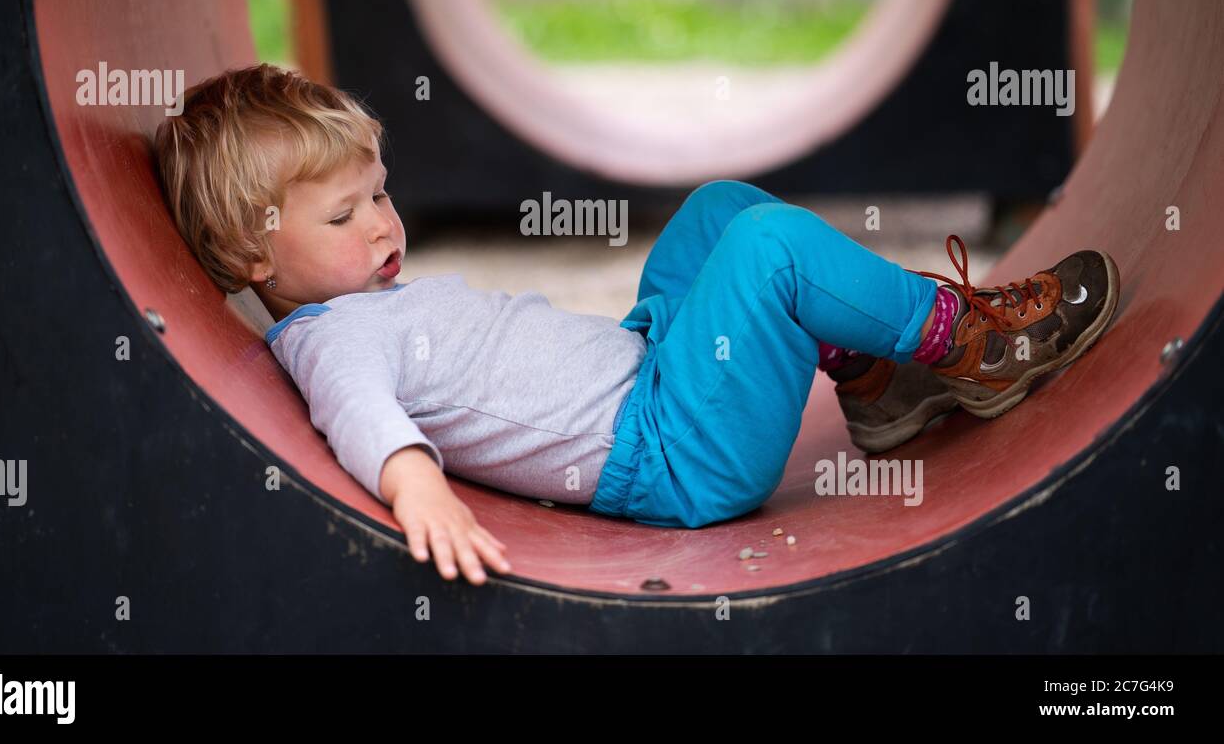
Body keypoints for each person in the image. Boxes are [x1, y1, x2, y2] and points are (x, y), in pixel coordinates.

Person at [154, 63, 1120, 585]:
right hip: (674, 455)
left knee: (717, 211)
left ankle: (878, 381)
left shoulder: (356, 299)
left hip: (649, 378)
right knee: (769, 249)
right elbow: (359, 416)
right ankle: (967, 344)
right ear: (250, 259)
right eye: (342, 216)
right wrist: (418, 493)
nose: (382, 224)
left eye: (380, 194)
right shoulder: (332, 339)